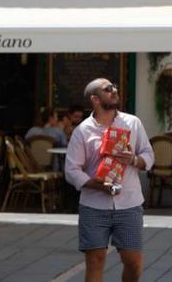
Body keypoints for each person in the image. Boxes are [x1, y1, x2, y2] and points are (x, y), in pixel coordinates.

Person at [65, 78, 155, 282]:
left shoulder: (132, 123)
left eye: (115, 87)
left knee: (133, 262)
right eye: (108, 89)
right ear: (95, 99)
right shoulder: (82, 130)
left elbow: (149, 155)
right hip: (94, 204)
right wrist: (94, 184)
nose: (115, 90)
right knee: (95, 260)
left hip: (129, 203)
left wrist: (133, 159)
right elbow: (71, 169)